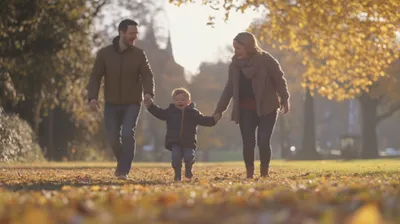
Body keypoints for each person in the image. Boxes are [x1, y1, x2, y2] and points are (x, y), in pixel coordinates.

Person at [213, 32, 290, 179]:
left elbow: (280, 80)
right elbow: (229, 88)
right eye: (234, 48)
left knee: (263, 140)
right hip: (245, 109)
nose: (235, 51)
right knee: (248, 142)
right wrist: (219, 110)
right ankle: (249, 174)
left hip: (267, 107)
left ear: (248, 46)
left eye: (238, 48)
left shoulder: (266, 61)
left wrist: (285, 99)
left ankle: (264, 173)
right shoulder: (234, 65)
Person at [87, 19, 155, 180]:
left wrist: (148, 93)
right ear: (122, 33)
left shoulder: (139, 54)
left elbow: (147, 75)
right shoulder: (104, 54)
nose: (134, 37)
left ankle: (123, 170)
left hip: (132, 102)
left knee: (127, 133)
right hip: (111, 103)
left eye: (136, 34)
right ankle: (122, 163)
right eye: (132, 33)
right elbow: (95, 77)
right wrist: (92, 98)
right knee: (112, 137)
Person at [145, 88, 218, 182]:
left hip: (189, 142)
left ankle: (188, 168)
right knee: (176, 158)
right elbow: (159, 113)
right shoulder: (170, 112)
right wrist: (151, 106)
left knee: (189, 157)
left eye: (183, 100)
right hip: (174, 141)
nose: (180, 102)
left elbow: (203, 120)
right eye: (177, 100)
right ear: (173, 101)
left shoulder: (194, 113)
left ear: (188, 102)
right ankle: (177, 174)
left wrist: (214, 119)